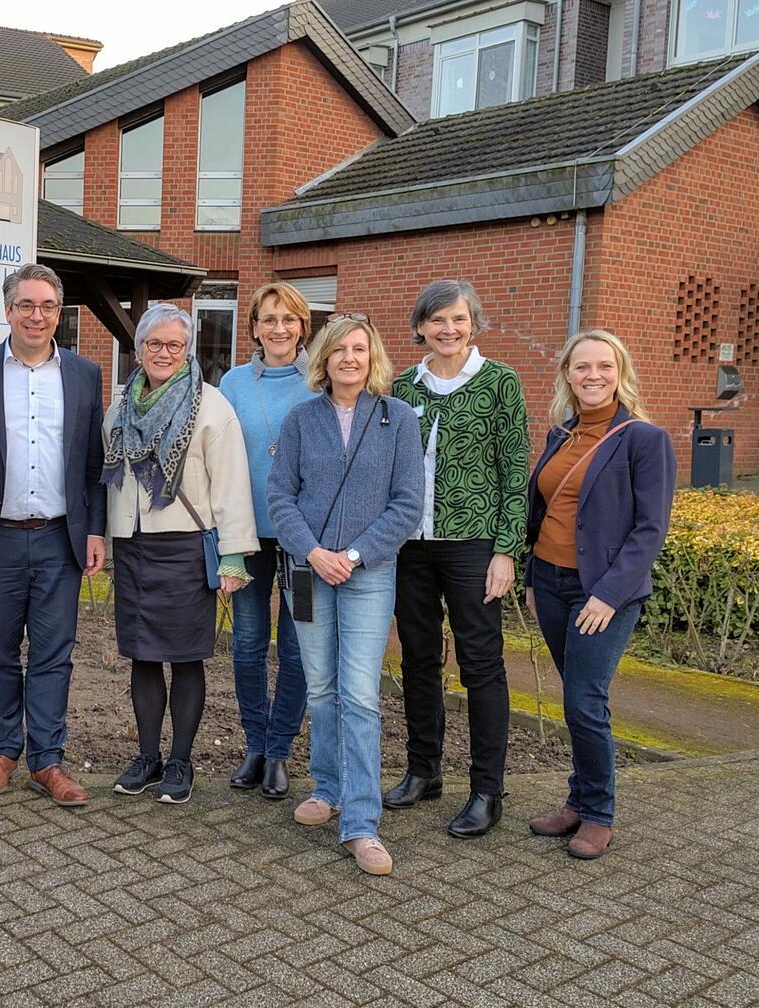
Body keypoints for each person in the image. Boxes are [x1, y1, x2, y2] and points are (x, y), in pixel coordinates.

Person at [268, 315, 422, 876]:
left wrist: (353, 556)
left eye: (359, 350)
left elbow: (407, 504)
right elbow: (281, 497)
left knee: (359, 696)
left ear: (371, 356)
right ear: (324, 358)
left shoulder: (397, 419)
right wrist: (312, 552)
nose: (350, 359)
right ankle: (328, 788)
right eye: (340, 350)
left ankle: (361, 822)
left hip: (368, 574)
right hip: (307, 571)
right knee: (321, 687)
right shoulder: (301, 419)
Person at [0, 264, 105, 808]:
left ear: (59, 313)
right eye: (26, 305)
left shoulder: (85, 374)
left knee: (53, 653)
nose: (37, 316)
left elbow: (92, 464)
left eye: (48, 307)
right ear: (7, 309)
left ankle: (48, 760)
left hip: (61, 537)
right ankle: (3, 751)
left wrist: (95, 531)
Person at [385, 280, 529, 838]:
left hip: (473, 545)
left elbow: (515, 468)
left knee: (481, 664)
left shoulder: (499, 383)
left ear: (474, 325)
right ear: (420, 326)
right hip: (409, 545)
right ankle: (424, 771)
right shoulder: (401, 387)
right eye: (438, 320)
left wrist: (506, 550)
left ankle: (488, 789)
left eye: (460, 320)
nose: (449, 329)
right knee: (418, 659)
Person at [525, 329, 675, 860]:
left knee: (585, 702)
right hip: (550, 582)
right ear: (568, 374)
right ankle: (578, 799)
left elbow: (649, 529)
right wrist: (529, 578)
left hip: (602, 595)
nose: (594, 376)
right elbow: (542, 510)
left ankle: (599, 815)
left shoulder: (644, 438)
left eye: (604, 367)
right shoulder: (560, 434)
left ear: (620, 373)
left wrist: (608, 596)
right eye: (582, 367)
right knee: (575, 698)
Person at [104, 304, 259, 805]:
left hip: (186, 548)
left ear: (187, 349)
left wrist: (233, 555)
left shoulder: (211, 407)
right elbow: (112, 480)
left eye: (175, 344)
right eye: (155, 343)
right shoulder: (121, 403)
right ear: (139, 348)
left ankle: (180, 762)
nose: (164, 352)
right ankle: (148, 757)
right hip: (133, 546)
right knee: (142, 658)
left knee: (187, 660)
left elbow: (232, 483)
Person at [218, 282, 314, 800]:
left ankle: (280, 751)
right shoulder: (232, 384)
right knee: (249, 644)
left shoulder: (320, 381)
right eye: (269, 319)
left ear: (303, 326)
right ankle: (254, 745)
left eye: (290, 319)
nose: (280, 328)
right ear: (253, 327)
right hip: (247, 536)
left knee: (298, 649)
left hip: (303, 540)